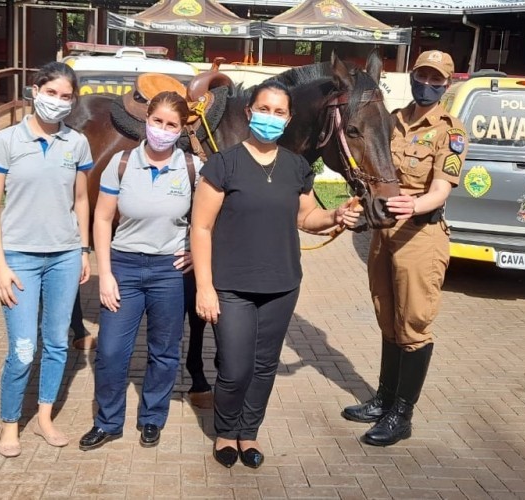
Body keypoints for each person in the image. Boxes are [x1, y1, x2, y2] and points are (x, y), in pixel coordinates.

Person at [190, 80, 362, 469]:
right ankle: (224, 431)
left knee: (264, 366)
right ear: (250, 112)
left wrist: (335, 216)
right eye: (264, 109)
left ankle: (248, 433)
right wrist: (204, 287)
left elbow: (307, 216)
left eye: (279, 112)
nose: (270, 117)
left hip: (282, 285)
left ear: (288, 119)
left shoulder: (296, 166)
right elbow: (200, 228)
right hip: (231, 285)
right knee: (235, 368)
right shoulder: (223, 164)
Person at [341, 50, 468, 446]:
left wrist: (415, 204)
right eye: (421, 76)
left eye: (436, 80)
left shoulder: (450, 130)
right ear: (412, 77)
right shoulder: (391, 120)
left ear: (446, 85)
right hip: (384, 233)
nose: (427, 85)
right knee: (388, 317)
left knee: (413, 324)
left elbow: (441, 189)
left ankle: (402, 414)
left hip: (420, 235)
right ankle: (384, 398)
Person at [79, 91, 201, 450]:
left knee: (164, 352)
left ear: (181, 129)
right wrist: (107, 273)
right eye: (157, 121)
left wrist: (197, 249)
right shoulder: (122, 162)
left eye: (171, 125)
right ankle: (108, 421)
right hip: (125, 266)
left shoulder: (194, 167)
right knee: (112, 351)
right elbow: (101, 219)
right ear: (146, 119)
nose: (162, 130)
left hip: (170, 271)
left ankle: (152, 417)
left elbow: (210, 219)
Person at [0, 61, 92, 458]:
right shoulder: (7, 141)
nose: (58, 102)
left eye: (66, 97)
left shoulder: (76, 144)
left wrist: (82, 249)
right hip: (19, 257)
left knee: (57, 342)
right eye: (52, 93)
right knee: (23, 348)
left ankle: (45, 417)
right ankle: (10, 424)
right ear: (35, 90)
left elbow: (81, 200)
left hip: (64, 255)